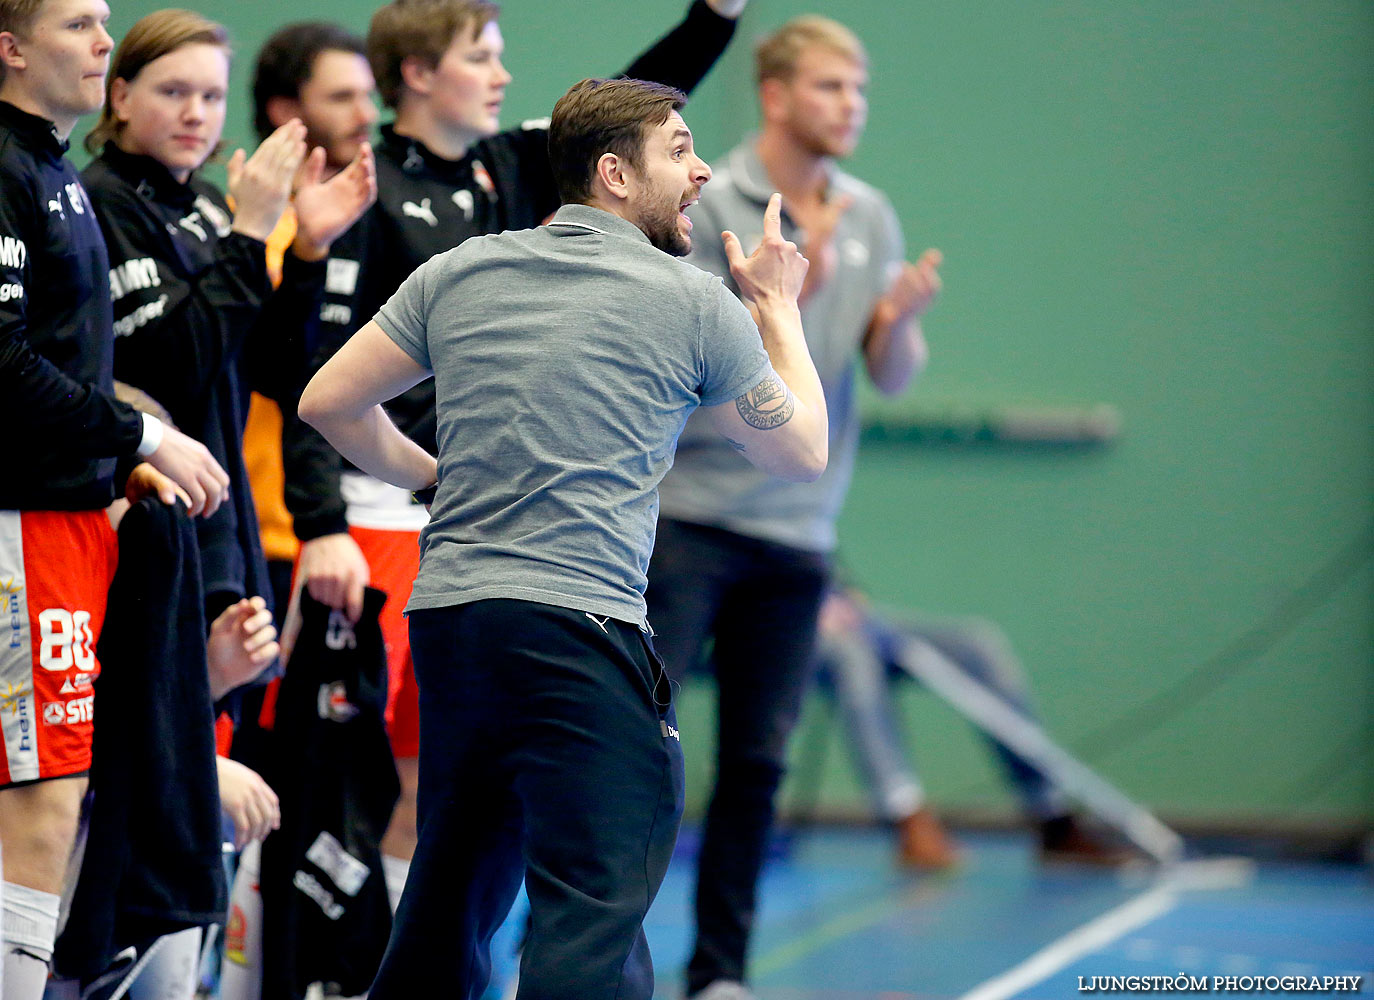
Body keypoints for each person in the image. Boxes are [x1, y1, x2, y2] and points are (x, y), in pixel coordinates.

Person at [297, 75, 826, 1000]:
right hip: (578, 630)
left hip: (454, 625)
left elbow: (328, 402)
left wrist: (432, 477)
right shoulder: (696, 302)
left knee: (450, 893)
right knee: (593, 912)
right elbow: (801, 452)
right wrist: (777, 309)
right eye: (679, 150)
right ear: (614, 174)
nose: (703, 170)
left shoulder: (457, 271)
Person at [278, 0, 750, 909]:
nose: (502, 74)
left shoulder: (508, 165)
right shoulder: (363, 183)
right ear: (418, 75)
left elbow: (639, 100)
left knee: (446, 792)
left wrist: (714, 13)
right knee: (365, 780)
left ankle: (431, 961)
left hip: (474, 522)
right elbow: (316, 378)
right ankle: (349, 961)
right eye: (481, 57)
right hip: (384, 509)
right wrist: (331, 516)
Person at [644, 16, 942, 999]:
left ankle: (718, 972)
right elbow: (690, 365)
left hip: (797, 538)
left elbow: (889, 376)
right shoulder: (708, 197)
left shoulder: (870, 216)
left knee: (758, 765)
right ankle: (589, 954)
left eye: (859, 89)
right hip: (687, 521)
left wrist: (893, 325)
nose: (850, 105)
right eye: (830, 87)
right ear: (775, 95)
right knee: (641, 740)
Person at [0, 0, 228, 993]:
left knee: (57, 795)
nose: (104, 41)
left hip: (70, 518)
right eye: (79, 24)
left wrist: (113, 460)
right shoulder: (8, 170)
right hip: (21, 524)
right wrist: (140, 431)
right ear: (9, 46)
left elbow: (60, 363)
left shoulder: (49, 170)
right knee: (41, 801)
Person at [80, 7, 375, 624]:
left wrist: (307, 253)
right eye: (174, 92)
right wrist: (249, 233)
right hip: (148, 510)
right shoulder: (102, 200)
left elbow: (277, 367)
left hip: (223, 513)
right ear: (122, 97)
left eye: (211, 95)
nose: (196, 113)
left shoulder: (208, 202)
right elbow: (176, 368)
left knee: (228, 715)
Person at [814, 586, 1132, 870]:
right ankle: (906, 817)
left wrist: (846, 600)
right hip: (787, 625)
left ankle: (1052, 817)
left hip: (841, 611)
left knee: (978, 643)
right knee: (853, 657)